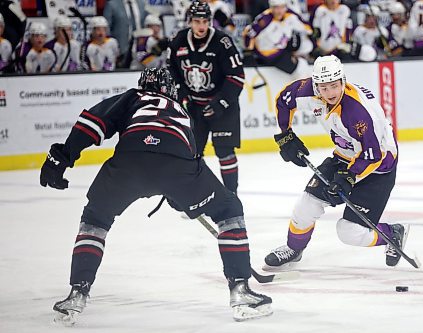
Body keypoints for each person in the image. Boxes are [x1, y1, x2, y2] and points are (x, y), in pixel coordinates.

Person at [41, 68, 273, 325]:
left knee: (95, 219)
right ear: (171, 89)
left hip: (128, 163)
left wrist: (61, 158)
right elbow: (190, 157)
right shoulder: (181, 111)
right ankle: (240, 290)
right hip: (177, 168)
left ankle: (77, 293)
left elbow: (91, 123)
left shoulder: (132, 98)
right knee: (228, 209)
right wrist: (181, 196)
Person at [264, 55, 409, 270]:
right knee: (306, 205)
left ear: (343, 81)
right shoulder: (309, 91)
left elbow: (373, 155)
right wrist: (286, 136)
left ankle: (392, 233)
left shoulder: (359, 113)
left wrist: (349, 178)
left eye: (334, 86)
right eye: (324, 88)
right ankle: (294, 249)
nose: (330, 93)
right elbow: (283, 99)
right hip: (344, 156)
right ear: (316, 86)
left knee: (349, 232)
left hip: (378, 168)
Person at [168, 1, 245, 194]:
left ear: (210, 21)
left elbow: (236, 76)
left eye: (205, 21)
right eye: (196, 21)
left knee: (225, 152)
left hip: (223, 107)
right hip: (194, 107)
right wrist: (182, 95)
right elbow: (172, 72)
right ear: (190, 21)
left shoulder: (222, 42)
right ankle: (195, 195)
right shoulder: (178, 41)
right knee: (192, 153)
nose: (201, 26)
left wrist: (220, 103)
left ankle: (231, 196)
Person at [243, 0, 313, 76]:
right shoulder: (265, 19)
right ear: (271, 7)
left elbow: (307, 27)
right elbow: (249, 32)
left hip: (282, 49)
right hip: (268, 53)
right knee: (300, 68)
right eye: (276, 7)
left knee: (307, 46)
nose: (279, 11)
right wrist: (248, 50)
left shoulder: (290, 15)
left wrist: (312, 32)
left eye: (282, 7)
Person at [103, 0, 146, 67]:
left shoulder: (142, 4)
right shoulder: (112, 4)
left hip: (139, 47)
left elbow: (146, 23)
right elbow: (106, 27)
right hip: (120, 49)